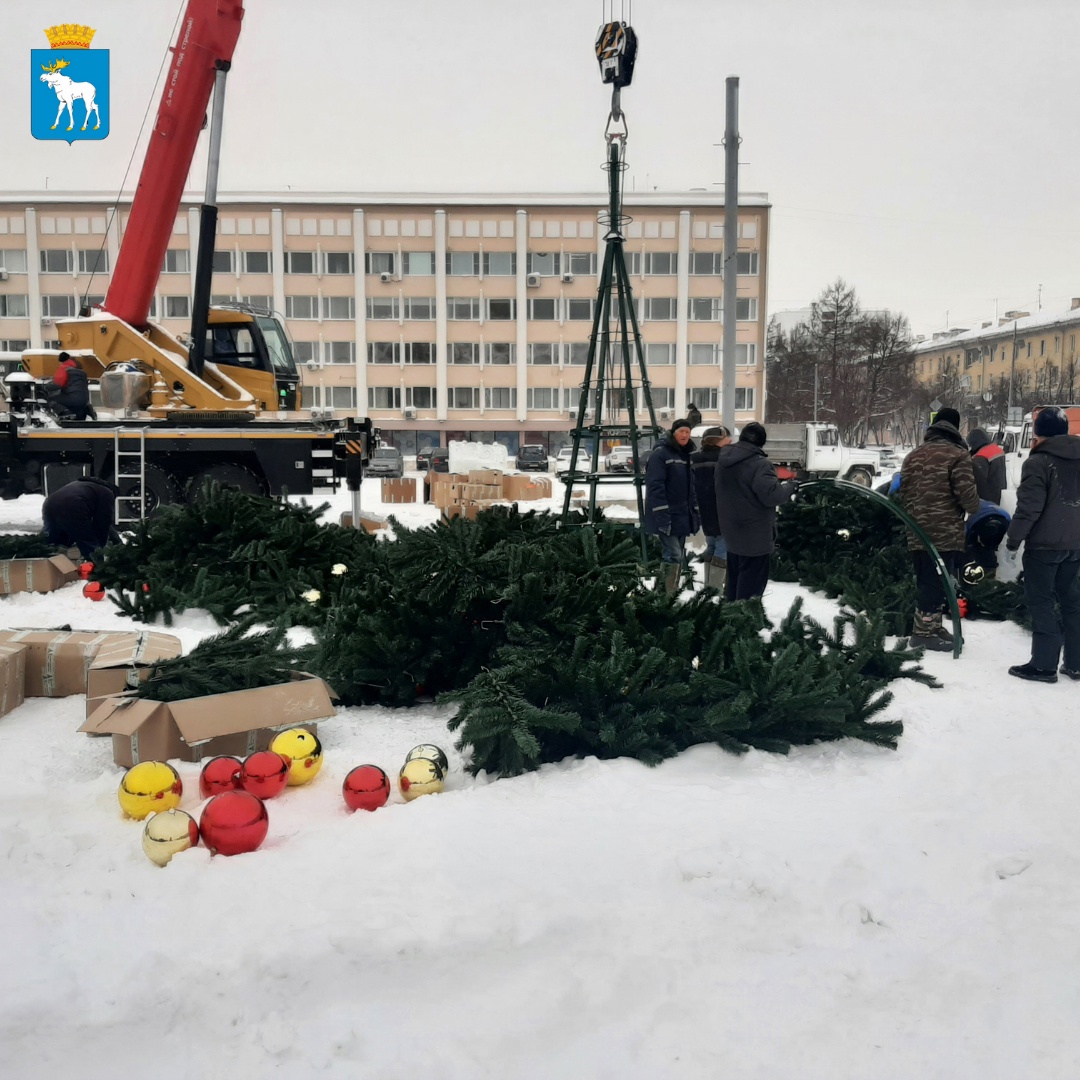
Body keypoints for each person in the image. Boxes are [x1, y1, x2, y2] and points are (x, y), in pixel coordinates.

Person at [1003, 406, 1080, 683]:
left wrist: (1012, 542)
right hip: (1075, 546)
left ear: (1037, 432)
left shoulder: (1039, 462)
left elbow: (1029, 508)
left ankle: (1044, 665)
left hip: (1044, 547)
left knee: (1042, 602)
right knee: (1072, 602)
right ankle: (1076, 663)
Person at [898, 407, 980, 651]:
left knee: (927, 579)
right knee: (938, 582)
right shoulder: (958, 455)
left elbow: (904, 493)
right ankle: (923, 633)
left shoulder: (913, 455)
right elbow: (968, 497)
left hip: (916, 530)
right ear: (956, 427)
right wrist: (976, 505)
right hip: (944, 532)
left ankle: (931, 626)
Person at [714, 422, 796, 601]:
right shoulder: (759, 464)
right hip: (754, 536)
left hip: (731, 531)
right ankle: (745, 623)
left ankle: (730, 619)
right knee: (751, 588)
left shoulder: (724, 459)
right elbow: (771, 496)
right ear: (761, 442)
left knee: (734, 580)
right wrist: (790, 487)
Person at [644, 418, 700, 595]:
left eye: (687, 432)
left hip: (682, 515)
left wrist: (694, 512)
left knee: (677, 554)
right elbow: (655, 486)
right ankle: (666, 596)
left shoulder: (685, 456)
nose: (685, 435)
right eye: (681, 431)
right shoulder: (660, 455)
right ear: (673, 433)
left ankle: (665, 593)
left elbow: (690, 488)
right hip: (667, 514)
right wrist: (661, 514)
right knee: (674, 554)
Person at [690, 425, 732, 590]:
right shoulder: (724, 459)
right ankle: (714, 587)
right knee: (722, 546)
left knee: (712, 544)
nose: (730, 441)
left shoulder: (694, 459)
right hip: (722, 508)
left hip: (704, 509)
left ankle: (709, 586)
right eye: (726, 438)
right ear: (718, 441)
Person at [42, 476, 120, 561]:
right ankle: (97, 570)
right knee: (90, 545)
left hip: (50, 503)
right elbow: (103, 522)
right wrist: (100, 547)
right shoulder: (107, 492)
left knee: (51, 541)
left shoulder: (84, 485)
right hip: (74, 505)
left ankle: (41, 565)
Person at [967, 427, 1006, 504]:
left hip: (986, 501)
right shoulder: (997, 450)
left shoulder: (980, 457)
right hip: (999, 495)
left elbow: (979, 483)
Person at [50, 352, 94, 420]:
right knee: (76, 411)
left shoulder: (64, 368)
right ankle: (86, 409)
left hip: (72, 398)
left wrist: (46, 387)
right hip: (84, 400)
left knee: (51, 400)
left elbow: (57, 384)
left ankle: (66, 413)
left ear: (62, 361)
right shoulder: (82, 371)